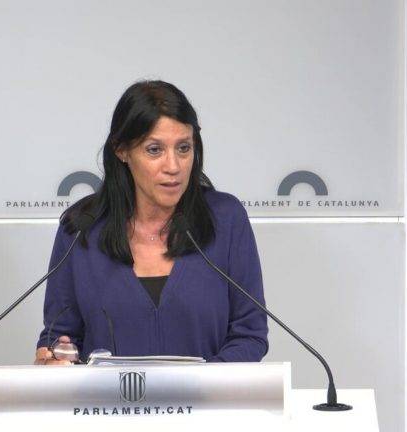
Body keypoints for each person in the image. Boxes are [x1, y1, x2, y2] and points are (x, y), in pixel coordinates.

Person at [35, 80, 268, 365]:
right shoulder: (81, 227)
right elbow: (59, 336)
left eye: (183, 148)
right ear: (122, 150)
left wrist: (196, 387)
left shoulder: (226, 218)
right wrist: (52, 358)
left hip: (208, 406)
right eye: (154, 150)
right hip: (110, 409)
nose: (173, 166)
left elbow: (250, 334)